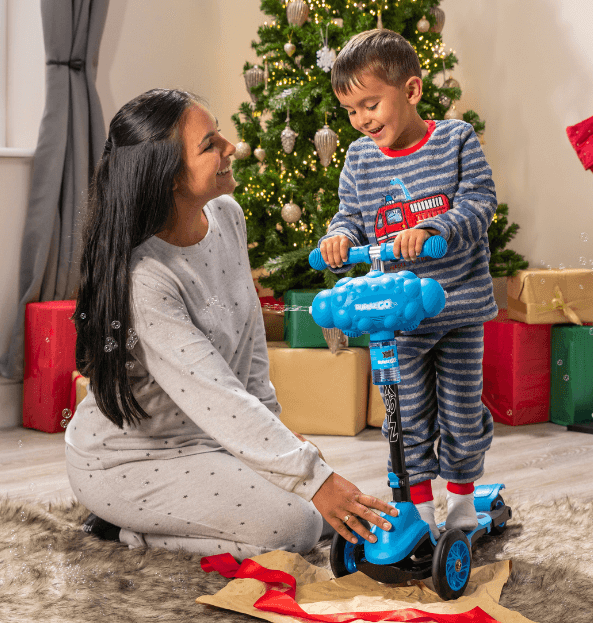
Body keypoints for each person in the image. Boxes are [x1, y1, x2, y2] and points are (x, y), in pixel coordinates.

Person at [67, 88, 396, 559]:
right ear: (169, 177)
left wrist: (281, 443)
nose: (231, 147)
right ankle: (124, 529)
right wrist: (307, 478)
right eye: (209, 144)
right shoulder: (146, 278)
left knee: (326, 513)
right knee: (299, 526)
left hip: (210, 439)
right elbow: (216, 395)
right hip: (130, 461)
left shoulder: (227, 216)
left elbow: (249, 348)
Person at [317, 29, 499, 536]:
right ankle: (418, 511)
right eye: (351, 111)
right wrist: (338, 238)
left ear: (412, 91)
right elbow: (350, 217)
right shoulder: (358, 158)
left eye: (370, 104)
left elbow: (479, 203)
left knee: (462, 414)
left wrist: (433, 229)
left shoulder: (455, 139)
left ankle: (462, 503)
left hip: (458, 309)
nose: (361, 120)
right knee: (407, 418)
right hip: (398, 319)